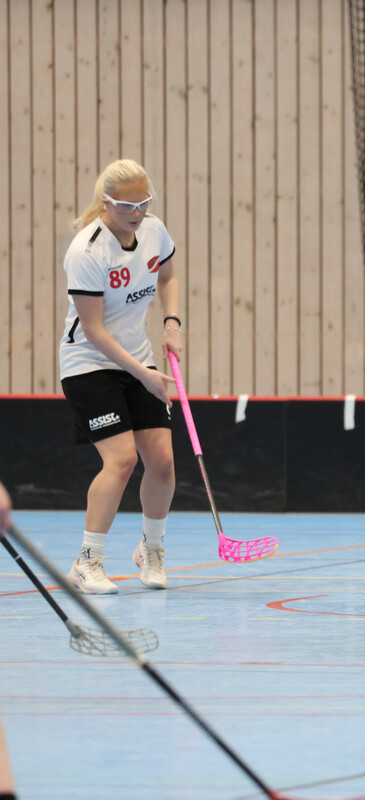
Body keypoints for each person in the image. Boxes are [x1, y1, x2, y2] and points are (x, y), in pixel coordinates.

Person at [59, 159, 181, 594]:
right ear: (106, 202)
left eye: (144, 202)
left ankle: (151, 550)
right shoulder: (87, 252)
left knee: (162, 463)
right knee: (122, 460)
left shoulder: (153, 230)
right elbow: (94, 330)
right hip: (89, 364)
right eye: (128, 205)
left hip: (137, 359)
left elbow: (168, 277)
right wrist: (144, 374)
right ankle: (87, 561)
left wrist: (171, 322)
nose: (138, 212)